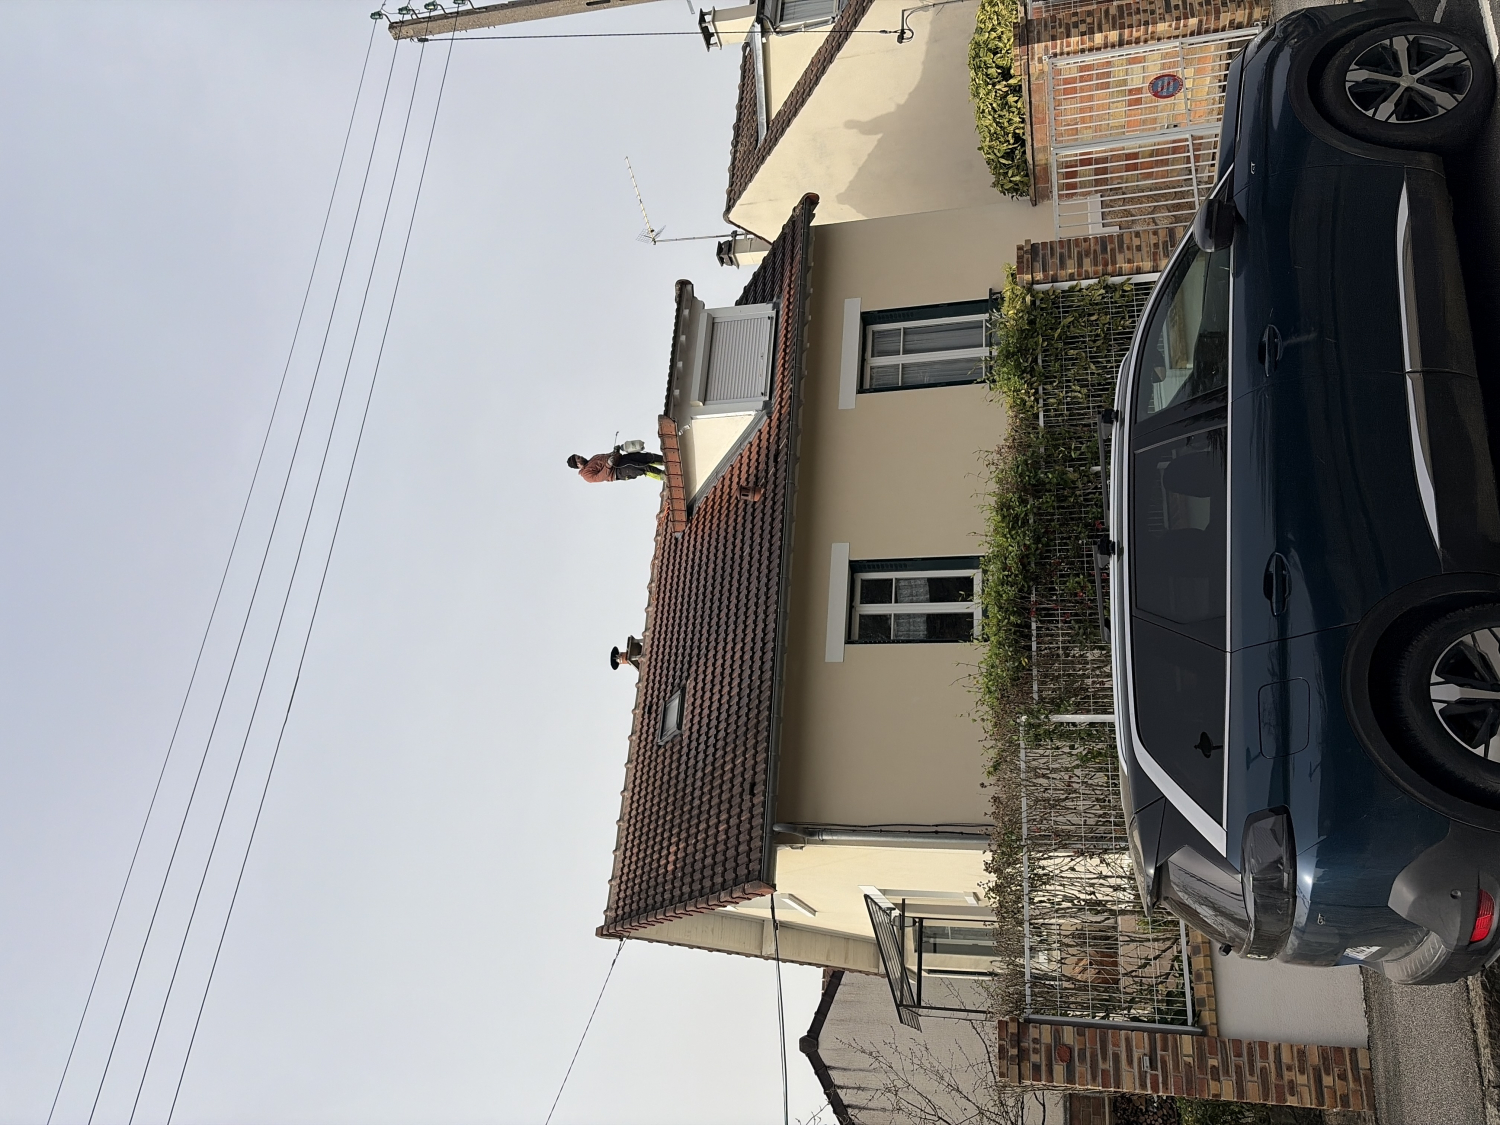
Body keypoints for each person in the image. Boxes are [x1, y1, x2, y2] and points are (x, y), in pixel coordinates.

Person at [567, 445, 664, 483]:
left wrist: (615, 451)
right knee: (642, 468)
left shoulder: (593, 458)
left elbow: (608, 456)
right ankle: (664, 476)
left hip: (621, 459)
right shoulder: (586, 475)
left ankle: (665, 460)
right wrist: (608, 465)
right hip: (618, 471)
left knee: (644, 457)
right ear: (577, 465)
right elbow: (600, 477)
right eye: (578, 458)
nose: (581, 457)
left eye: (579, 456)